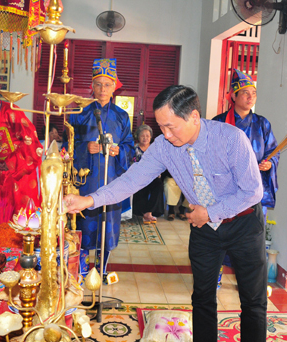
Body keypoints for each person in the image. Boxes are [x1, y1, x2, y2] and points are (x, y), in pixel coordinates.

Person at [64, 85, 267, 342]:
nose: (166, 134)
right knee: (203, 299)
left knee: (253, 301)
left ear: (194, 117)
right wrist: (88, 199)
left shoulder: (231, 139)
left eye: (171, 126)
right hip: (204, 230)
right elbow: (131, 181)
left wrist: (211, 212)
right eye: (161, 126)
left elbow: (252, 192)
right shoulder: (163, 147)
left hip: (244, 222)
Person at [68, 58, 135, 278]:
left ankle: (102, 268)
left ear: (115, 86)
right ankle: (83, 268)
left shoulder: (122, 116)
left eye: (107, 84)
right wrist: (85, 147)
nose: (102, 89)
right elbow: (68, 147)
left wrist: (118, 151)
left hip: (111, 179)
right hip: (87, 181)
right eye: (98, 84)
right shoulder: (80, 113)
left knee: (108, 226)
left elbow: (129, 146)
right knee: (85, 225)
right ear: (92, 86)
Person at [213, 69, 279, 222]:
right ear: (234, 96)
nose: (251, 97)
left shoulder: (262, 123)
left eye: (254, 93)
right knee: (227, 230)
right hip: (227, 187)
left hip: (254, 187)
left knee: (251, 233)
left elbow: (273, 150)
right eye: (245, 93)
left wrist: (269, 163)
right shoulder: (219, 122)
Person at [0, 100, 43, 217]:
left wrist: (11, 163)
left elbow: (31, 139)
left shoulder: (10, 111)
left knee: (25, 215)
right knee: (6, 217)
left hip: (23, 170)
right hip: (3, 174)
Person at [132, 124, 164, 223]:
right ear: (138, 137)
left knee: (158, 186)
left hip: (153, 176)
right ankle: (143, 212)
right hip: (139, 176)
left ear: (151, 137)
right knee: (141, 187)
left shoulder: (155, 149)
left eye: (147, 136)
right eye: (142, 135)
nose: (145, 138)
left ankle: (148, 212)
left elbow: (160, 164)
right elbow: (132, 164)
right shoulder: (134, 149)